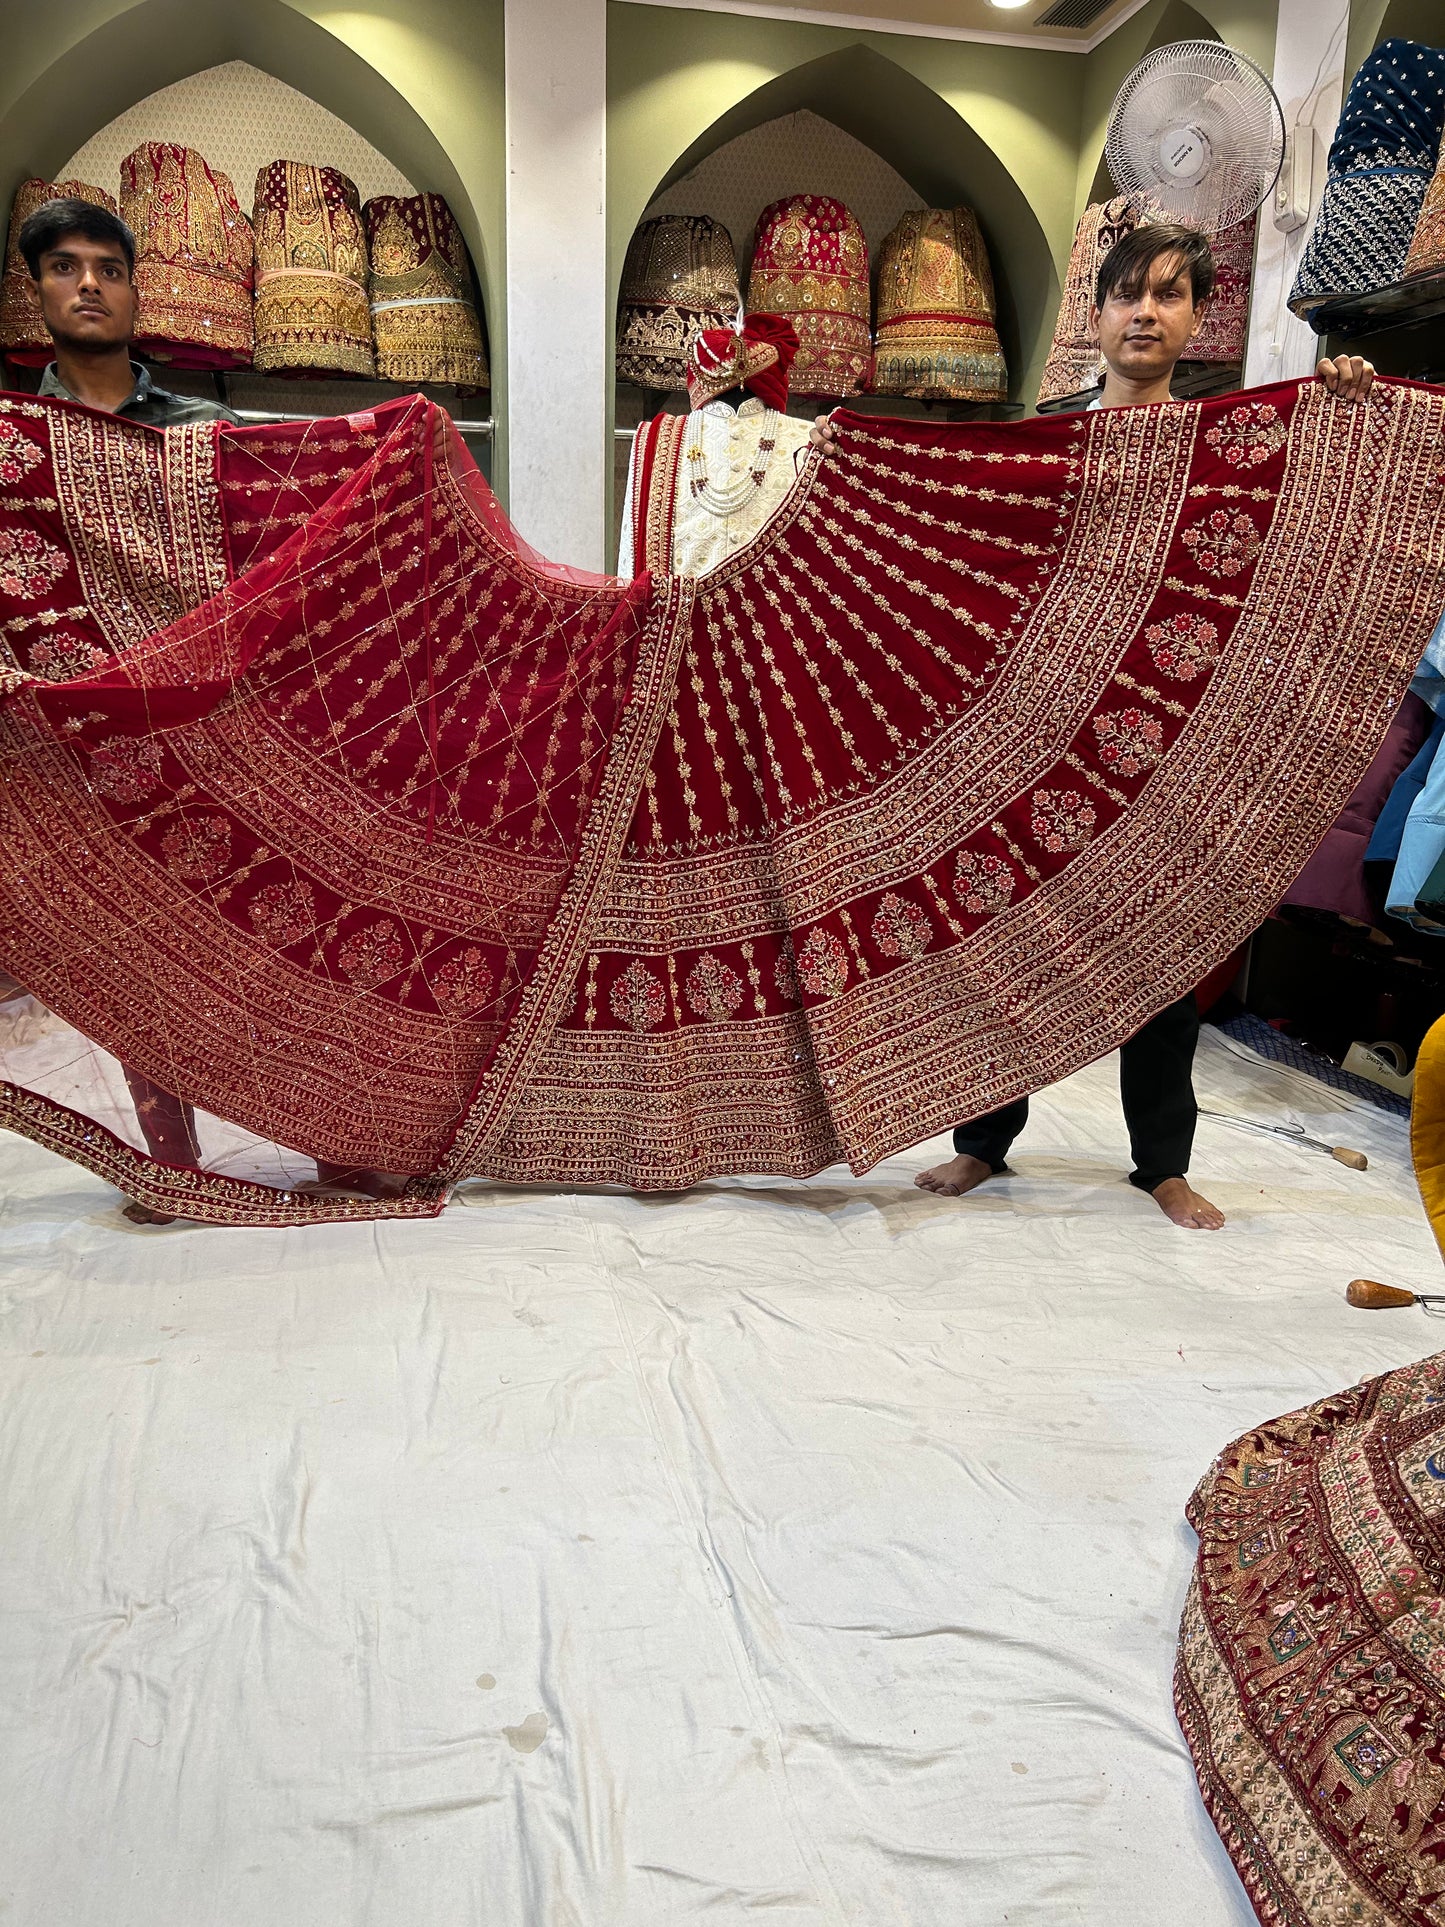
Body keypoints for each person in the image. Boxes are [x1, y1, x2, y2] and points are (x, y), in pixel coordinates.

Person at [812, 221, 1376, 1231]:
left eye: (1168, 295)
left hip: (1163, 743)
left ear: (1196, 317)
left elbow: (1294, 535)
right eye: (1128, 295)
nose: (1145, 313)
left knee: (1155, 954)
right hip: (1031, 740)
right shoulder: (1046, 448)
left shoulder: (1228, 445)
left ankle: (1159, 1162)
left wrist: (1342, 404)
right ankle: (982, 1145)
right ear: (1099, 314)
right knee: (1002, 944)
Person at [13, 197, 240, 1222]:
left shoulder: (206, 434)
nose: (90, 284)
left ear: (139, 288)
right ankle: (171, 1165)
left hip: (200, 729)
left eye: (109, 266)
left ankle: (341, 1134)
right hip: (68, 745)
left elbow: (277, 549)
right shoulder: (9, 447)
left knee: (257, 941)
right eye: (66, 267)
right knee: (132, 955)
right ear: (39, 290)